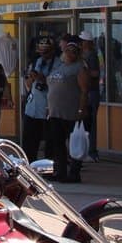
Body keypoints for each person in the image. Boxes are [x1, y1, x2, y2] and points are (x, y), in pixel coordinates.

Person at [45, 35, 89, 183]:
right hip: (55, 112)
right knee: (58, 144)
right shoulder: (60, 66)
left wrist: (81, 110)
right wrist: (48, 107)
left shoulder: (80, 68)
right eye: (68, 50)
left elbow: (84, 91)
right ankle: (60, 171)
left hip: (71, 113)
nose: (70, 53)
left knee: (74, 143)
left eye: (74, 51)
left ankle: (74, 173)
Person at [22, 36, 57, 161]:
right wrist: (30, 78)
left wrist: (41, 78)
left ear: (52, 51)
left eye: (46, 52)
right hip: (33, 107)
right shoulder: (36, 62)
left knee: (50, 142)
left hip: (48, 107)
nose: (43, 55)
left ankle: (49, 165)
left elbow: (57, 83)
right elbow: (29, 84)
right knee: (29, 140)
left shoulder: (58, 63)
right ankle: (29, 164)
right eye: (41, 51)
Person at [79, 30, 102, 161]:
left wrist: (83, 73)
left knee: (91, 123)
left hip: (91, 93)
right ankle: (85, 150)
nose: (81, 43)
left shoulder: (91, 55)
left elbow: (95, 73)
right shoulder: (84, 55)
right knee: (85, 124)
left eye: (82, 41)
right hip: (87, 93)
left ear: (87, 42)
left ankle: (92, 152)